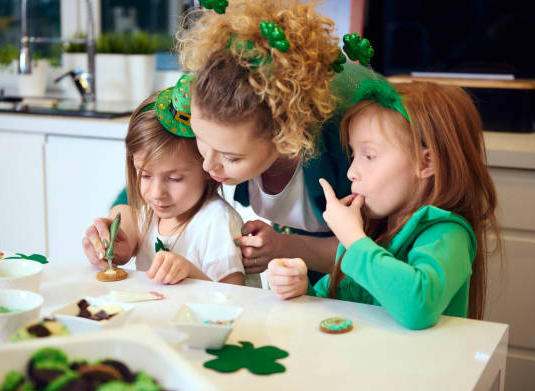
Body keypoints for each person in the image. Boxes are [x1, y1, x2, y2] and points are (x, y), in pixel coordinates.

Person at [120, 0, 378, 284]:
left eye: (232, 158)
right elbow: (152, 170)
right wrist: (119, 224)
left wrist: (286, 247)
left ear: (287, 137)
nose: (207, 164)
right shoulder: (215, 92)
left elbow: (381, 252)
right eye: (200, 140)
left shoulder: (351, 138)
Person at [266, 79, 501, 329]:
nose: (351, 173)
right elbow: (334, 306)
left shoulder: (447, 234)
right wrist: (301, 288)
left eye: (369, 156)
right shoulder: (372, 235)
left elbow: (417, 306)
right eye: (353, 155)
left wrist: (353, 239)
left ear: (426, 163)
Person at [82, 75, 245, 285]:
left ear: (207, 166)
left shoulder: (217, 222)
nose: (157, 192)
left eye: (174, 178)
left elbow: (236, 298)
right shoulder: (148, 215)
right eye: (145, 175)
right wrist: (114, 248)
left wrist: (191, 274)